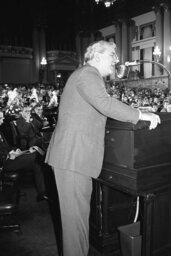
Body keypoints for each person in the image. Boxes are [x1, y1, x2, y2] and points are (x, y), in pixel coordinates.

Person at [45, 40, 160, 256]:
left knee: (77, 225)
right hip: (73, 159)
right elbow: (105, 104)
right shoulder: (88, 74)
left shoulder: (87, 75)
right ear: (97, 55)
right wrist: (140, 115)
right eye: (112, 54)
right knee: (75, 228)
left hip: (74, 159)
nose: (116, 60)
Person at [0, 110, 47, 202]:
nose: (3, 119)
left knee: (36, 155)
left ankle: (42, 192)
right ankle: (42, 191)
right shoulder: (19, 121)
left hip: (10, 157)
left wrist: (14, 150)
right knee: (36, 157)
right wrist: (8, 155)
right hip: (4, 163)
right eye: (1, 118)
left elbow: (5, 147)